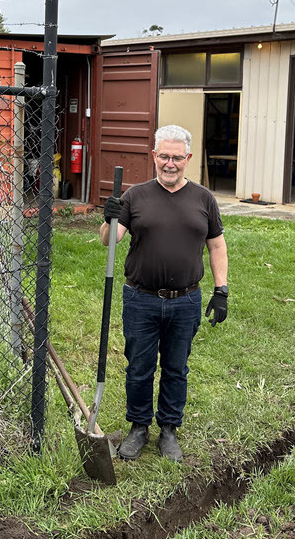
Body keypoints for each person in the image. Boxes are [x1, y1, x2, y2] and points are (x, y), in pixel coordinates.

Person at [100, 124, 229, 463]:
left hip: (185, 300)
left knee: (175, 368)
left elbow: (217, 245)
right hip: (140, 298)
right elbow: (110, 240)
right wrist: (108, 219)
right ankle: (139, 427)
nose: (170, 164)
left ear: (188, 158)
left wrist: (221, 290)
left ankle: (169, 429)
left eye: (177, 158)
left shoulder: (203, 198)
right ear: (154, 156)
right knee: (139, 367)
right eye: (164, 157)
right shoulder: (135, 196)